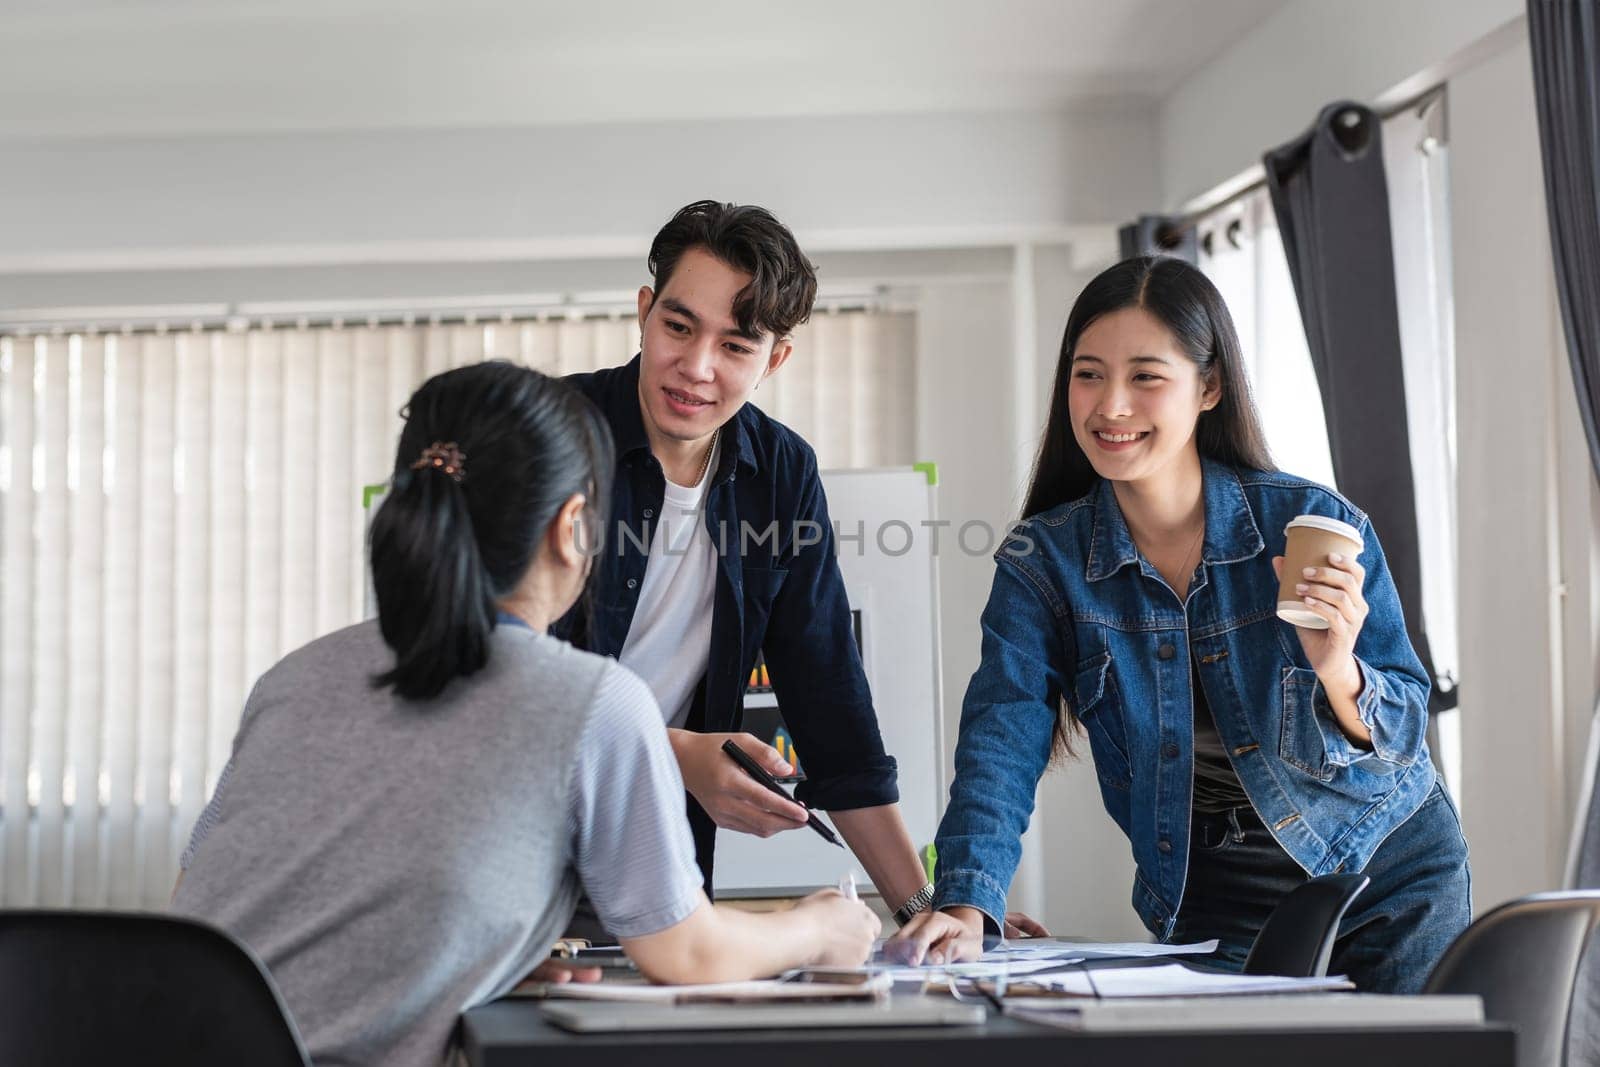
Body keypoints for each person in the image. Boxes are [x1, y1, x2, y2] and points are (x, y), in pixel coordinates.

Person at [171, 362, 879, 1067]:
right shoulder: (594, 702)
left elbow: (233, 908)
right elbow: (687, 951)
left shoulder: (293, 679)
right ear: (574, 527)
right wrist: (819, 927)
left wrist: (478, 953)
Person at [892, 256, 1470, 993]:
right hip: (1215, 904)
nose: (1111, 405)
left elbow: (1402, 726)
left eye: (1145, 376)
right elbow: (1001, 737)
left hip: (1385, 876)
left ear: (1209, 385)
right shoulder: (1044, 563)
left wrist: (1338, 669)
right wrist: (969, 899)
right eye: (1089, 373)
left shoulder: (1307, 526)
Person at [559, 200, 933, 927]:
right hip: (508, 848)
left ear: (775, 358)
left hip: (652, 873)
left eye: (736, 345)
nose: (696, 368)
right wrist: (672, 755)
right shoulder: (549, 434)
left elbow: (832, 710)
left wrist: (924, 908)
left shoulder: (782, 473)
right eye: (678, 326)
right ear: (643, 312)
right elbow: (492, 687)